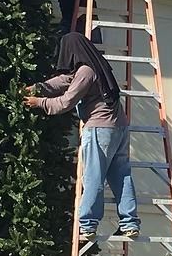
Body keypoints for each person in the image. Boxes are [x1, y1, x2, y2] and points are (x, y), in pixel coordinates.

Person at [24, 32, 140, 240]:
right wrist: (38, 88)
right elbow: (65, 80)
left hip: (99, 129)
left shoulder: (86, 72)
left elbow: (66, 101)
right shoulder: (95, 64)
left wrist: (38, 102)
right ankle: (130, 223)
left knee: (93, 175)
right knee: (120, 175)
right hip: (119, 127)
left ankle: (87, 224)